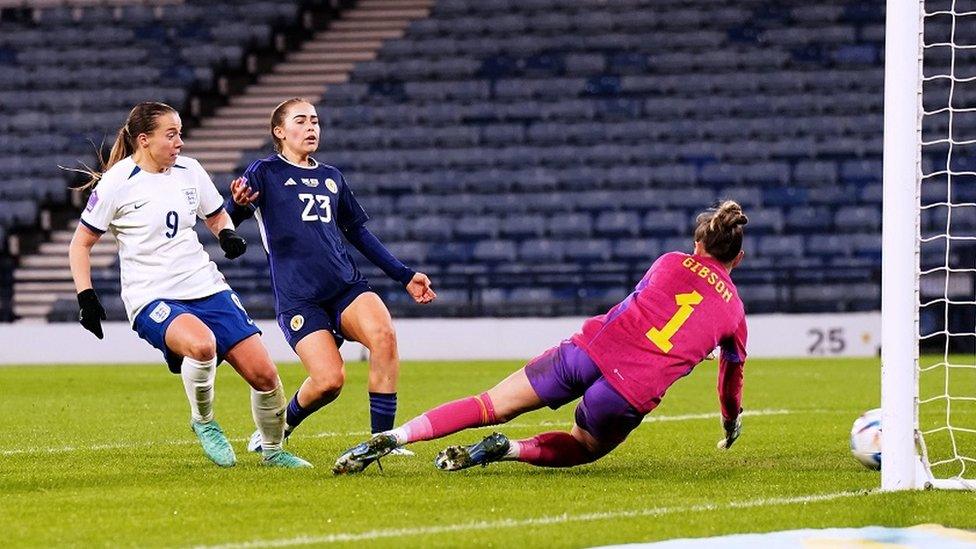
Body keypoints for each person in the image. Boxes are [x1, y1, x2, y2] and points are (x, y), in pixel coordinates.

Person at [333, 200, 749, 474]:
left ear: (698, 243)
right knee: (583, 445)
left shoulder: (668, 261)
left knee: (487, 403)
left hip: (587, 351)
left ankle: (396, 435)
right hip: (628, 390)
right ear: (739, 258)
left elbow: (648, 307)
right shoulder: (734, 312)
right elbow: (730, 385)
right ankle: (508, 449)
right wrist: (730, 422)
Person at [67, 101, 310, 468]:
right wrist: (86, 296)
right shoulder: (118, 181)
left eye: (180, 132)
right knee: (201, 345)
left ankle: (273, 451)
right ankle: (204, 421)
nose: (180, 141)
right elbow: (80, 244)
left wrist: (226, 234)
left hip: (205, 285)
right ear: (144, 140)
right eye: (172, 134)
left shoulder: (189, 170)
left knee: (265, 375)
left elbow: (215, 214)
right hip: (151, 295)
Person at [224, 98, 436, 453]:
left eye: (315, 121)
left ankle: (381, 440)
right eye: (301, 121)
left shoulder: (332, 177)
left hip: (345, 286)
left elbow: (358, 234)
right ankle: (280, 425)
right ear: (279, 131)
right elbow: (231, 218)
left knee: (383, 334)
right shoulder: (264, 171)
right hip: (299, 298)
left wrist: (404, 275)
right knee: (328, 382)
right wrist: (236, 202)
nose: (311, 127)